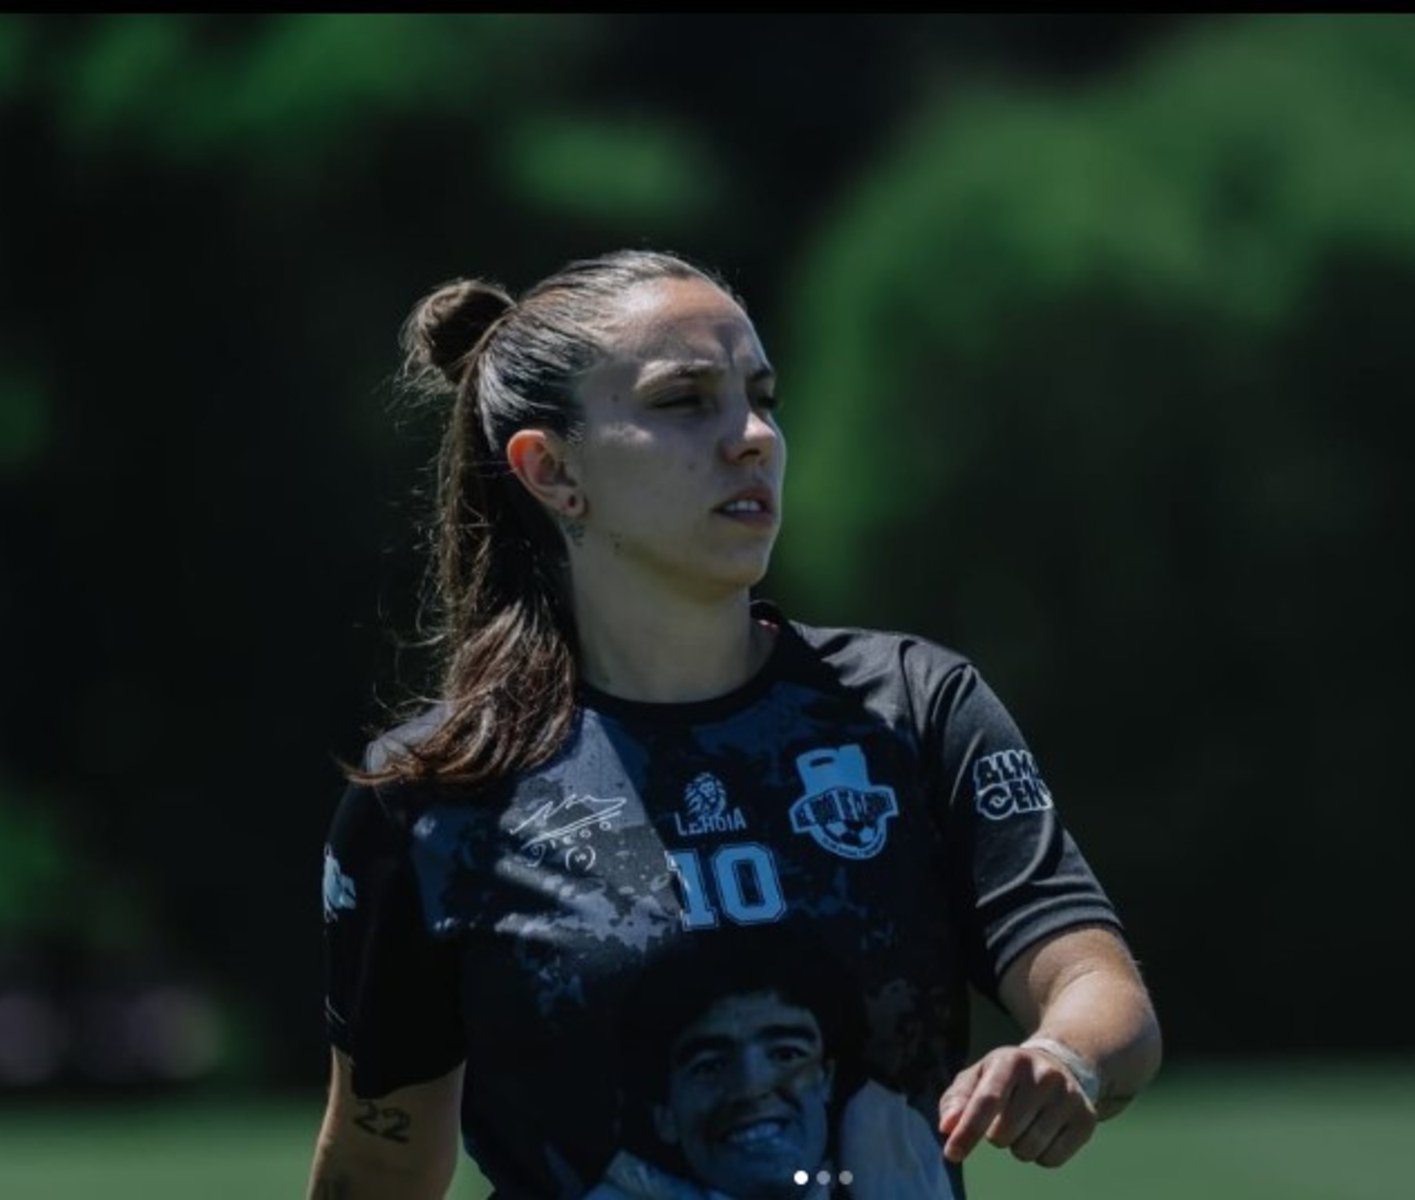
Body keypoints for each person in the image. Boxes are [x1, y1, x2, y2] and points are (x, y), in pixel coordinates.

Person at [307, 250, 1162, 1200]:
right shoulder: (433, 799)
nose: (753, 435)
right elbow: (378, 1165)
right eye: (685, 401)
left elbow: (1104, 994)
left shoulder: (913, 708)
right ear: (552, 470)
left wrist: (1066, 1059)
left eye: (762, 396)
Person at [582, 926, 953, 1200]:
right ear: (664, 1113)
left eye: (785, 1054)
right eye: (709, 1066)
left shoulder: (897, 1163)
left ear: (827, 1079)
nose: (752, 1087)